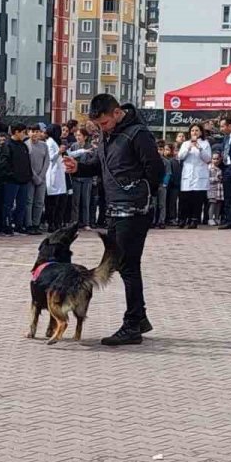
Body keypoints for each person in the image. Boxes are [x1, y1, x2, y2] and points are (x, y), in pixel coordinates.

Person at [62, 94, 163, 346]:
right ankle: (138, 318)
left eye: (105, 123)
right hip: (115, 207)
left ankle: (132, 324)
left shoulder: (137, 134)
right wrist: (79, 168)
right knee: (125, 264)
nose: (102, 128)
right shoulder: (108, 135)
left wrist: (138, 191)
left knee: (126, 265)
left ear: (117, 113)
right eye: (98, 125)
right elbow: (101, 164)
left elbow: (156, 170)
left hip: (134, 210)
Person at [177, 124, 212, 229]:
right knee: (185, 199)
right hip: (187, 175)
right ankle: (183, 219)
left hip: (199, 175)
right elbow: (180, 156)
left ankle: (194, 220)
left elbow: (208, 159)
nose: (194, 132)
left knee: (197, 199)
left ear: (201, 132)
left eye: (197, 130)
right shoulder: (185, 144)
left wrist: (199, 148)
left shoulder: (205, 144)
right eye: (192, 130)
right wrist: (188, 147)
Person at [0, 123, 31, 235]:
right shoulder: (7, 145)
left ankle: (19, 225)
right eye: (23, 132)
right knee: (8, 204)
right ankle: (6, 225)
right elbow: (4, 164)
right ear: (16, 132)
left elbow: (27, 162)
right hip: (11, 181)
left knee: (22, 204)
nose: (24, 134)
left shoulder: (23, 145)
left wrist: (28, 176)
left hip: (23, 180)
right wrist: (11, 175)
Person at [25, 124, 48, 234]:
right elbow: (27, 164)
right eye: (32, 131)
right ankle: (29, 224)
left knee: (39, 202)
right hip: (30, 178)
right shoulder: (26, 145)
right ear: (28, 133)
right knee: (29, 201)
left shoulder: (44, 145)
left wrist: (41, 176)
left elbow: (47, 161)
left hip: (42, 178)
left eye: (37, 131)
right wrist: (35, 177)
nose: (35, 134)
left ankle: (36, 223)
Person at [69, 128, 94, 229]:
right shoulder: (74, 146)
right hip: (76, 177)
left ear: (85, 137)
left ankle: (86, 222)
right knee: (75, 201)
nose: (78, 137)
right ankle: (75, 222)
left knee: (86, 200)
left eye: (80, 135)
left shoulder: (91, 147)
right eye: (76, 135)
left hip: (87, 178)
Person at [44, 125, 67, 230]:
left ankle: (58, 222)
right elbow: (51, 158)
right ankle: (51, 223)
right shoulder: (49, 142)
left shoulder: (56, 142)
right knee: (52, 203)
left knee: (60, 202)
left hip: (60, 174)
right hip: (52, 174)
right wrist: (59, 152)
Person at [207, 151, 224, 226]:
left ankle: (217, 218)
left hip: (220, 188)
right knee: (212, 203)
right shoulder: (209, 168)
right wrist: (215, 179)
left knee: (219, 203)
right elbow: (207, 178)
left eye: (217, 159)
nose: (216, 160)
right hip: (212, 188)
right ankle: (210, 219)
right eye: (214, 159)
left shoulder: (221, 168)